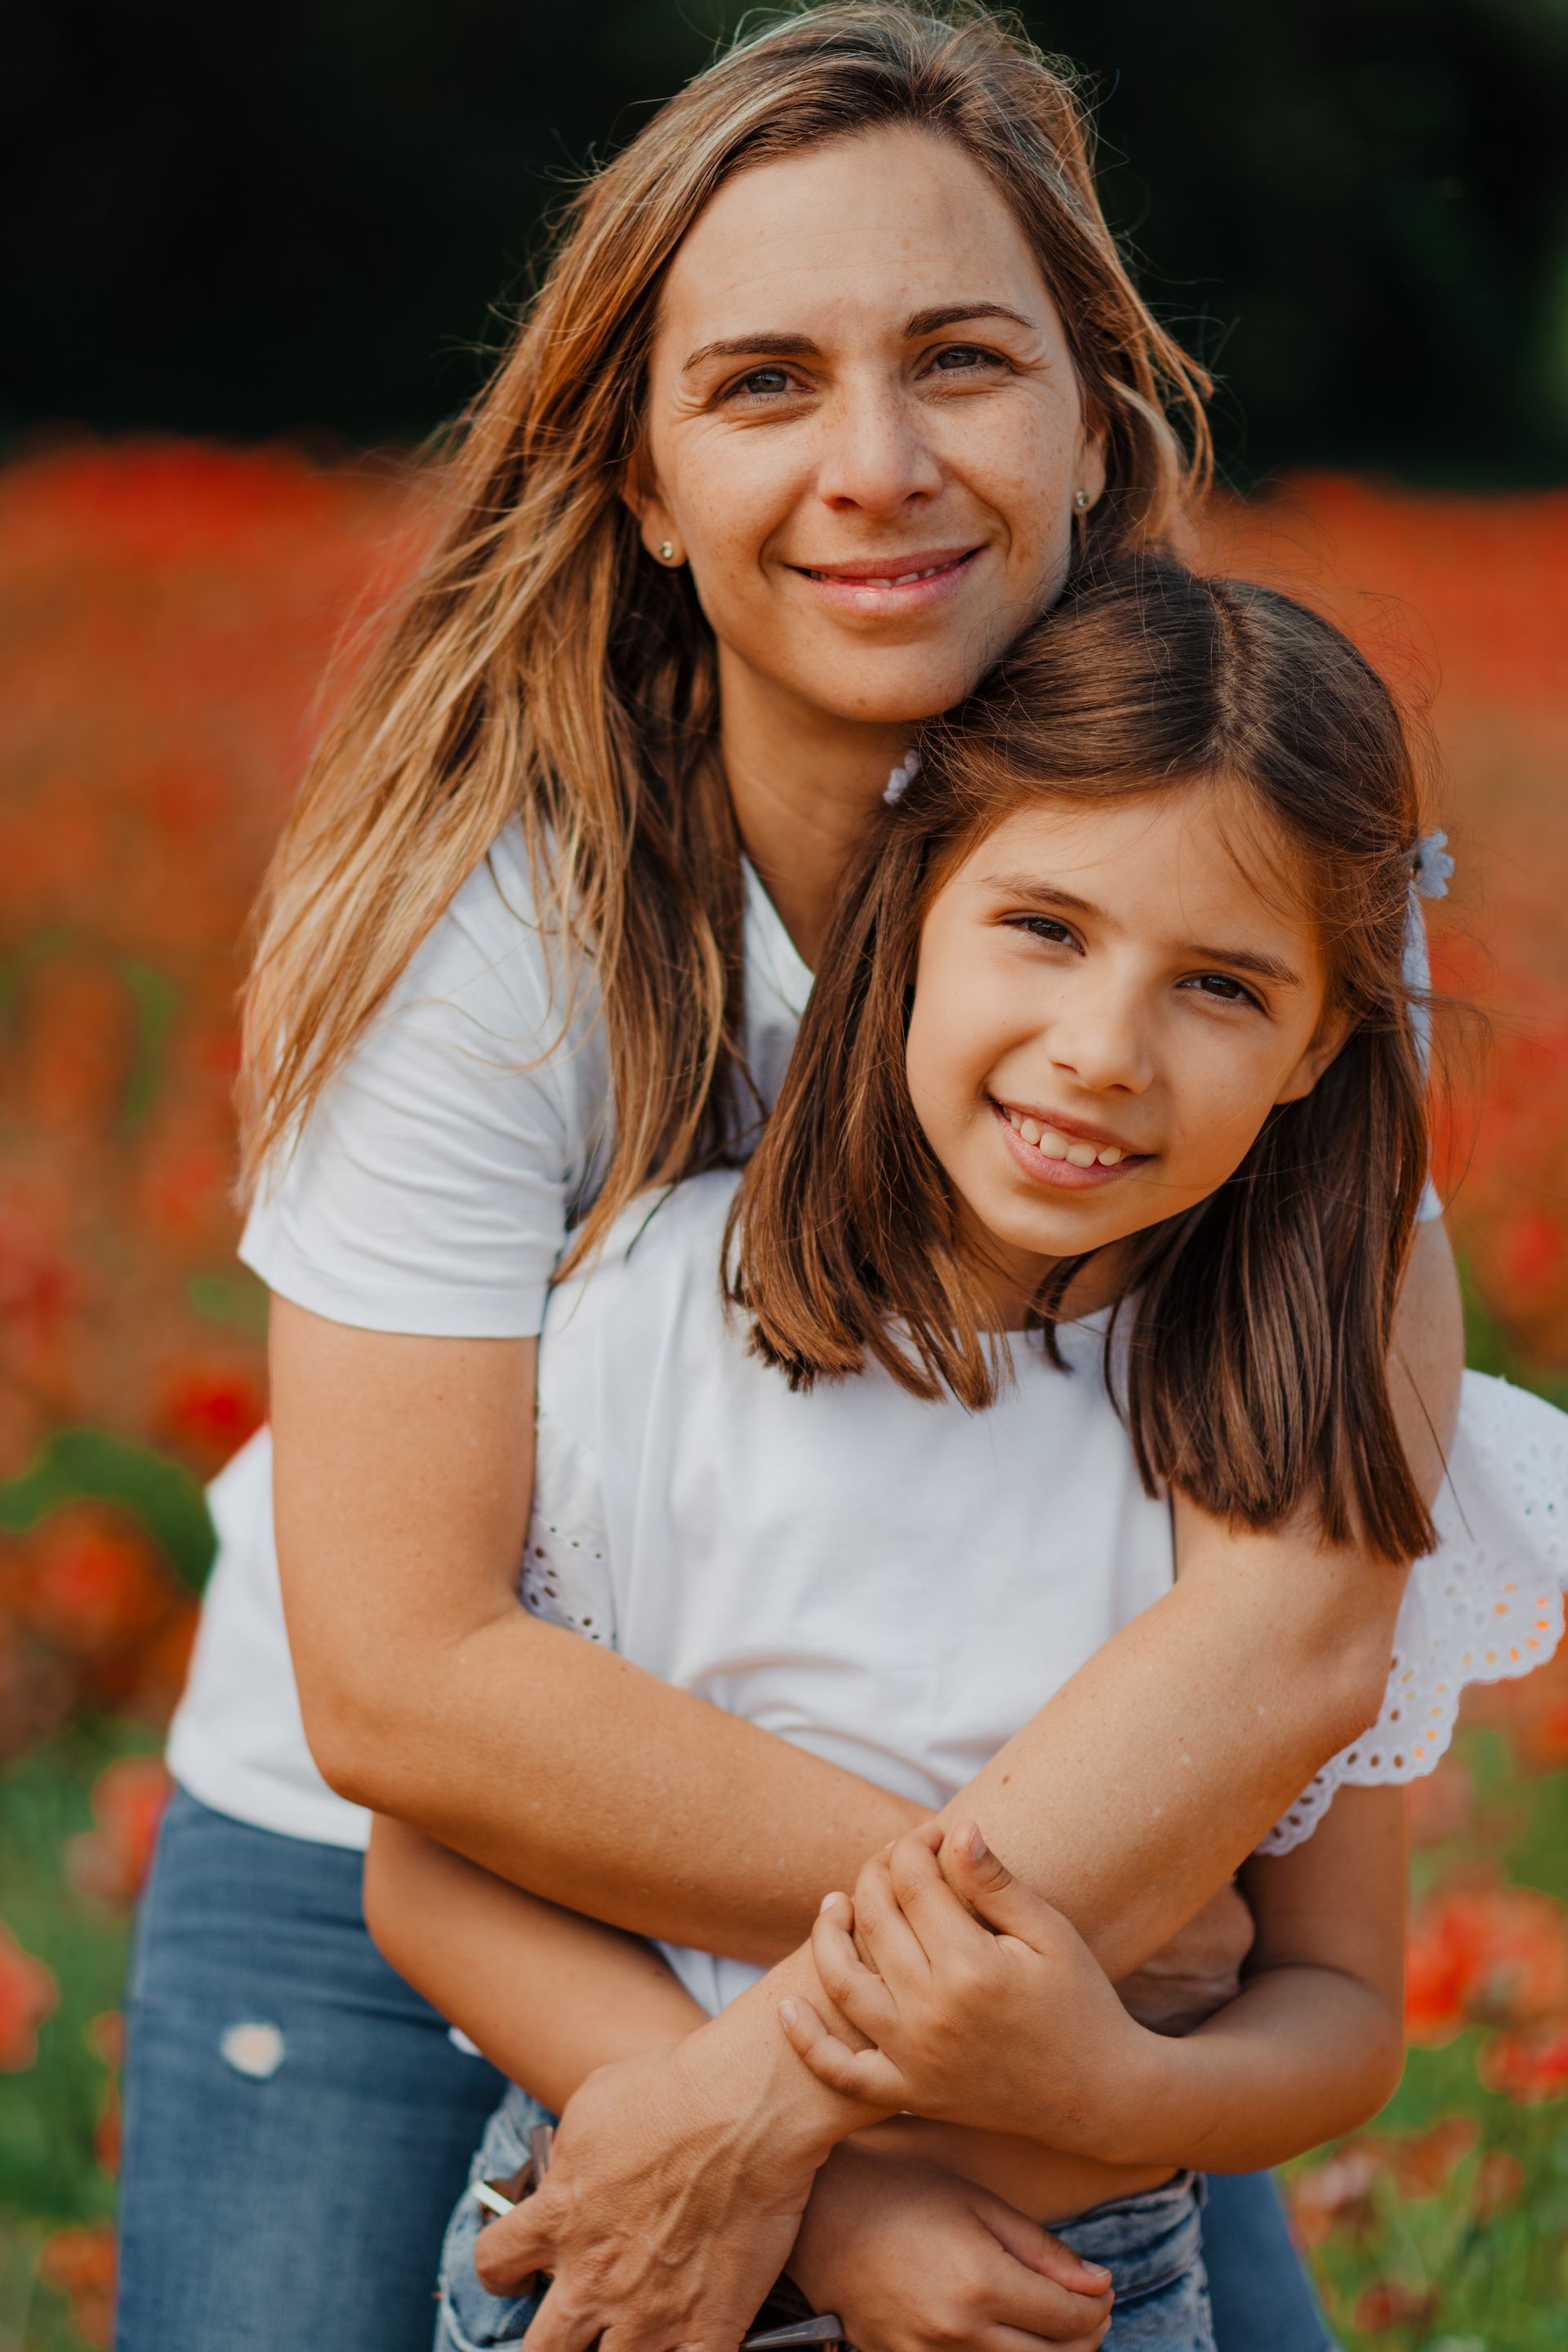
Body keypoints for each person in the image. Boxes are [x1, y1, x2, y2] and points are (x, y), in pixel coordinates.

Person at [115, 11, 1463, 2351]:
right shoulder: (496, 933)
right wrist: (920, 2049)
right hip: (440, 1876)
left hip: (1078, 1918)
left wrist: (865, 2067)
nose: (879, 463)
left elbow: (1302, 1596)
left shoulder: (1275, 866)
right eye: (761, 384)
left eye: (962, 359)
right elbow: (419, 1687)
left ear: (1097, 420)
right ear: (641, 477)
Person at [366, 560, 1566, 2352]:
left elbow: (1332, 2001)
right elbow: (428, 1866)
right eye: (1049, 930)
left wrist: (1115, 2090)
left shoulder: (1275, 1434)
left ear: (1325, 1042)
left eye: (1224, 990)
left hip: (1068, 2291)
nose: (1102, 1053)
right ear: (913, 899)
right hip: (625, 2240)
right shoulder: (639, 1318)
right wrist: (833, 2201)